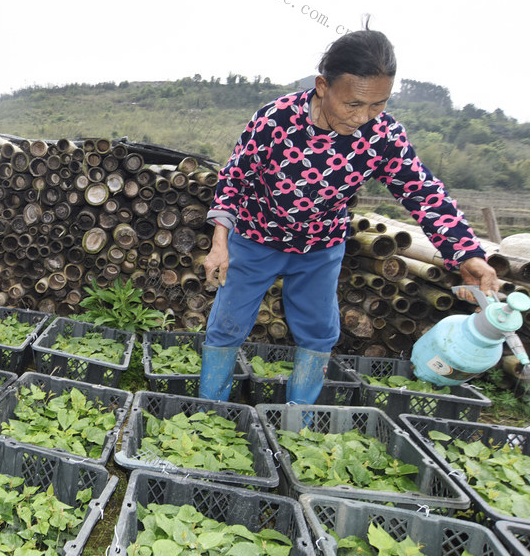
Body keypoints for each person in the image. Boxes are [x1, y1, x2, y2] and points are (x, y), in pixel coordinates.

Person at [199, 25, 499, 404]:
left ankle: (299, 421)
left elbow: (422, 191)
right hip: (256, 239)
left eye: (378, 104)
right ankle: (206, 410)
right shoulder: (276, 120)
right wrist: (220, 243)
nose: (363, 116)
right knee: (227, 326)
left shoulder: (382, 136)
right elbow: (234, 180)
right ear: (323, 86)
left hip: (320, 248)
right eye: (353, 104)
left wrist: (467, 252)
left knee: (319, 333)